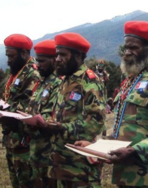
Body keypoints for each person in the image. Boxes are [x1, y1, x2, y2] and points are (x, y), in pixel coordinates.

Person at [77, 21, 148, 187]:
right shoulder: (130, 82)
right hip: (125, 174)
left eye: (134, 48)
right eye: (126, 48)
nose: (127, 53)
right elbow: (122, 128)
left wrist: (134, 151)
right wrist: (95, 147)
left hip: (147, 176)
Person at [44, 33, 106, 188]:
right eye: (57, 54)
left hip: (80, 168)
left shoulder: (89, 82)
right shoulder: (66, 80)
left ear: (78, 56)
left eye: (63, 55)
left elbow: (95, 122)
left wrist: (62, 128)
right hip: (60, 161)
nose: (57, 59)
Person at [0, 34, 40, 188]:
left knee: (27, 182)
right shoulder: (17, 73)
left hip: (25, 141)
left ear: (23, 53)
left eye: (11, 56)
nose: (8, 60)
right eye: (7, 56)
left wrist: (5, 111)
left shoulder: (32, 74)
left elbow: (29, 106)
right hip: (12, 139)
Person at [25, 39, 62, 188]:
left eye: (42, 61)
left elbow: (53, 115)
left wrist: (35, 120)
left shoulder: (58, 83)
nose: (37, 65)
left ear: (54, 61)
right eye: (36, 60)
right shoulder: (40, 83)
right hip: (36, 148)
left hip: (49, 150)